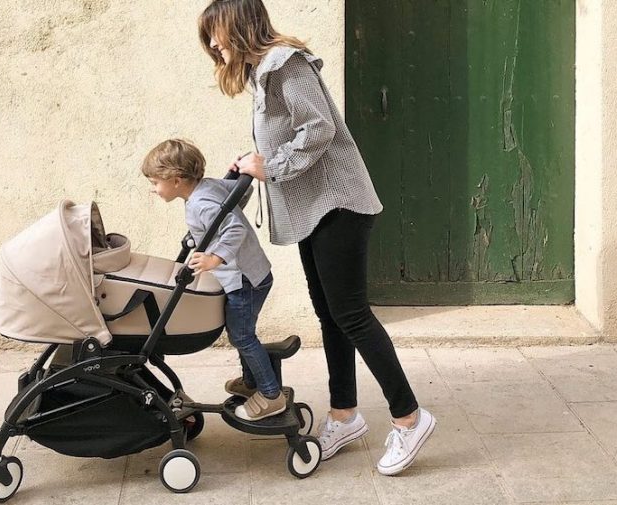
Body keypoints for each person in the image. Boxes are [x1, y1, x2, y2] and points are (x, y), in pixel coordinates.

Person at [197, 0, 436, 475]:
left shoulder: (286, 64)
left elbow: (319, 128)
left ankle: (410, 418)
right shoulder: (262, 73)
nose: (213, 44)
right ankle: (345, 415)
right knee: (331, 316)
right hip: (315, 209)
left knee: (352, 315)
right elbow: (287, 135)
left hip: (338, 203)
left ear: (239, 25)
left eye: (215, 34)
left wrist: (272, 165)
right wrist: (253, 161)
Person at [140, 138, 284, 421]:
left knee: (242, 335)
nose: (153, 189)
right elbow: (240, 195)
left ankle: (271, 395)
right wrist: (234, 178)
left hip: (245, 280)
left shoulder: (201, 202)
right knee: (240, 332)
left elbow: (234, 229)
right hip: (252, 274)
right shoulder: (207, 187)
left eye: (155, 182)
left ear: (176, 180)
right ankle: (251, 382)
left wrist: (214, 258)